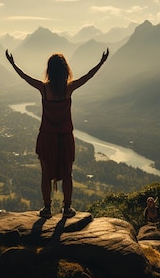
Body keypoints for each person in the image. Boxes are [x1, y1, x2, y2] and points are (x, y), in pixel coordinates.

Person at [6, 48, 109, 218]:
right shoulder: (69, 88)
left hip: (46, 136)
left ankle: (47, 209)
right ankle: (67, 208)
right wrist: (101, 62)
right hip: (65, 137)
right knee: (67, 174)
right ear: (65, 70)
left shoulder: (43, 88)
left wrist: (13, 64)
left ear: (49, 70)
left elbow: (25, 77)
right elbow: (88, 76)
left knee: (46, 175)